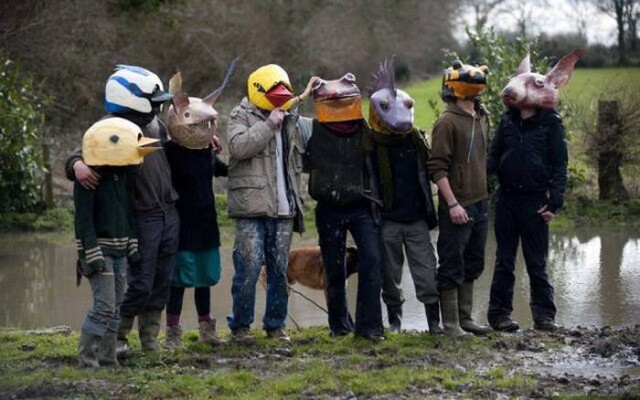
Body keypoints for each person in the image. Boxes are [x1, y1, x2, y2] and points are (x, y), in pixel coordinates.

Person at [66, 65, 179, 354]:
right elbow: (83, 152)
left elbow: (171, 149)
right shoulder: (110, 127)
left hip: (167, 211)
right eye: (152, 101)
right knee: (140, 281)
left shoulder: (155, 124)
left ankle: (150, 339)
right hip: (141, 215)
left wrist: (203, 143)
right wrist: (76, 165)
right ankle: (117, 338)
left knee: (161, 279)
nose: (157, 107)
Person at [487, 50, 583, 332]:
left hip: (535, 203)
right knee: (504, 261)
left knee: (536, 262)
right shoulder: (506, 121)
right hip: (506, 200)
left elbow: (560, 165)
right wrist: (473, 180)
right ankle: (499, 315)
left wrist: (554, 203)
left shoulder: (552, 124)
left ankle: (544, 316)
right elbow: (493, 158)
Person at [225, 64, 314, 344]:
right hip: (251, 209)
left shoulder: (290, 117)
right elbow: (238, 148)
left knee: (279, 271)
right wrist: (269, 125)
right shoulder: (239, 116)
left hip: (284, 209)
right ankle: (240, 327)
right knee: (248, 270)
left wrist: (311, 96)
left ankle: (275, 326)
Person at [74, 117, 160, 368]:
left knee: (116, 307)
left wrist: (132, 245)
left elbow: (127, 214)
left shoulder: (125, 176)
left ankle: (109, 359)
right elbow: (83, 222)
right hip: (98, 250)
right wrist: (90, 254)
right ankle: (87, 360)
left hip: (121, 250)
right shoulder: (89, 179)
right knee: (103, 306)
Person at [305, 72, 384, 342]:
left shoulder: (367, 130)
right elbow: (286, 121)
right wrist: (304, 94)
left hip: (362, 205)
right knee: (333, 266)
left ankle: (370, 327)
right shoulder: (310, 129)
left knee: (372, 260)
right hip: (328, 206)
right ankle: (339, 326)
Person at [161, 64, 236, 348]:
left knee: (204, 278)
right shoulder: (169, 152)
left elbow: (223, 169)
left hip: (206, 224)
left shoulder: (206, 152)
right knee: (178, 281)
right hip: (180, 225)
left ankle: (207, 329)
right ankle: (172, 333)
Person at [366, 58, 441, 334]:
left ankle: (434, 322)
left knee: (427, 273)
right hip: (387, 220)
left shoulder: (418, 141)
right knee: (390, 276)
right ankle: (395, 321)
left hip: (417, 220)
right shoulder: (370, 145)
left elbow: (435, 168)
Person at [427, 60, 493, 337]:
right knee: (452, 263)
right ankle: (451, 324)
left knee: (474, 262)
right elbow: (437, 168)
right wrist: (452, 204)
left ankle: (466, 319)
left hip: (481, 201)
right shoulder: (446, 122)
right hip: (457, 205)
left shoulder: (481, 117)